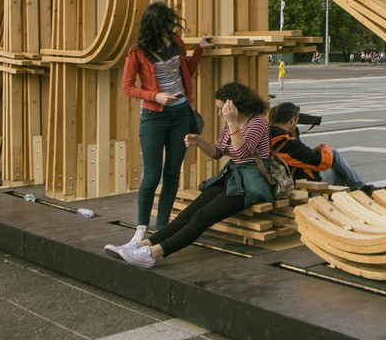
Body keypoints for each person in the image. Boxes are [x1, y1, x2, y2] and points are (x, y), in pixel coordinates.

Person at [108, 82, 272, 267]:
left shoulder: (257, 122)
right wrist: (200, 142)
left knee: (203, 216)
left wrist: (232, 122)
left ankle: (153, 254)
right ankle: (142, 245)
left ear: (234, 106)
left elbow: (241, 152)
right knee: (190, 212)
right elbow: (218, 152)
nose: (220, 113)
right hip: (233, 176)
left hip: (251, 183)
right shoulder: (230, 123)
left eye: (221, 109)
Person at [121, 2, 208, 241]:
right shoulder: (137, 52)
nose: (170, 27)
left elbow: (185, 74)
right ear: (154, 25)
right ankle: (140, 229)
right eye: (166, 23)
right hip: (153, 118)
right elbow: (127, 87)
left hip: (180, 115)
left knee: (172, 173)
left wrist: (199, 49)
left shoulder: (177, 43)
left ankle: (161, 228)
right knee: (152, 175)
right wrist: (154, 96)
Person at [268, 101, 380, 193]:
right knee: (334, 159)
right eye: (296, 120)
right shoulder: (288, 143)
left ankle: (357, 192)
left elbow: (295, 157)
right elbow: (323, 162)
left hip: (286, 182)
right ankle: (362, 190)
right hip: (301, 186)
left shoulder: (269, 137)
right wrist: (324, 147)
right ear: (292, 120)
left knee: (339, 171)